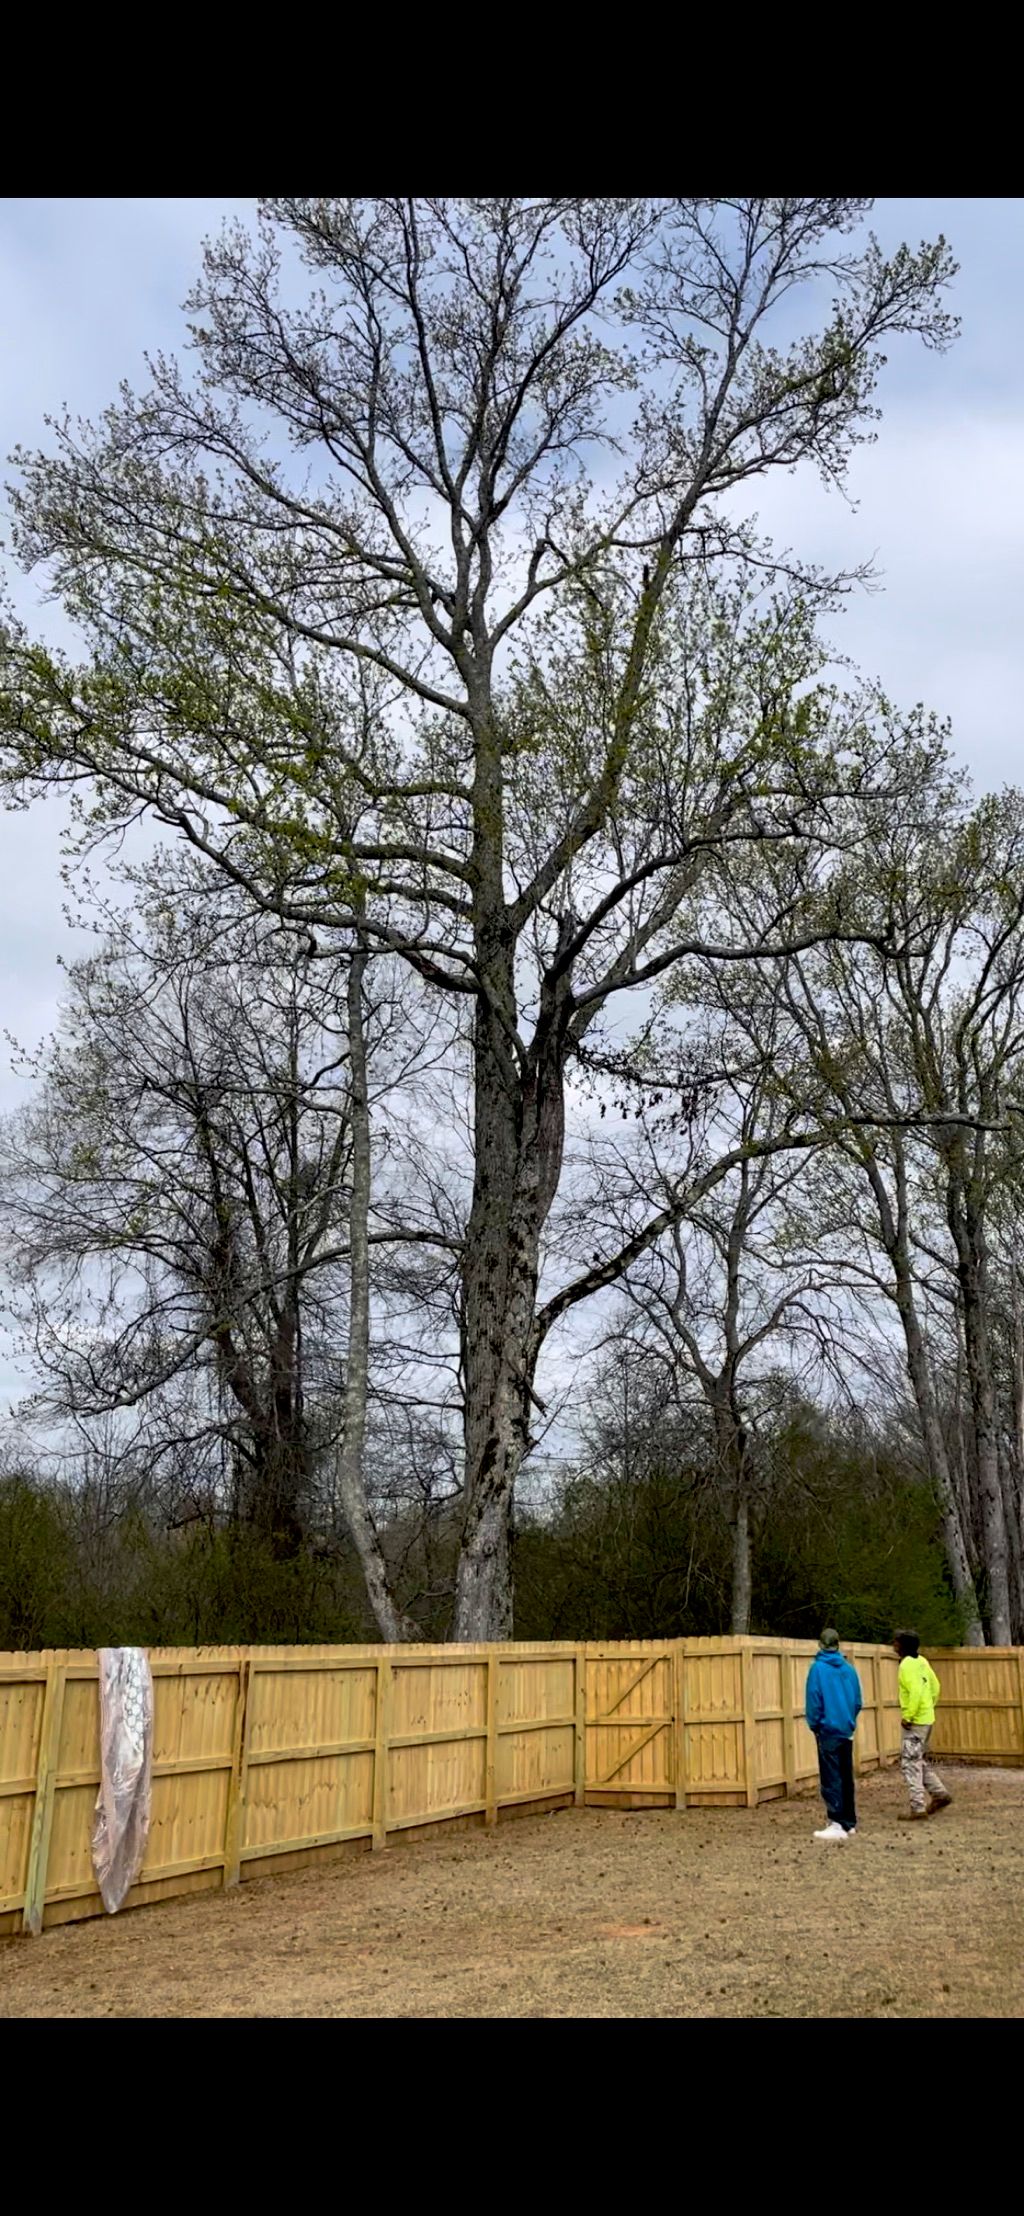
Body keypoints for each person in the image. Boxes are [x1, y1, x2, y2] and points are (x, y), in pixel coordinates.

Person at [805, 1627, 863, 1842]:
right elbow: (857, 1701)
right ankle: (849, 1822)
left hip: (827, 1729)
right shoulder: (849, 1670)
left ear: (820, 1645)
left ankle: (836, 1821)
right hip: (846, 1729)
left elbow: (814, 1700)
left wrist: (815, 1724)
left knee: (831, 1777)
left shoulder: (817, 1669)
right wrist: (849, 1720)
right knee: (846, 1776)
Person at [893, 1630, 952, 1821]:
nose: (894, 1645)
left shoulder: (906, 1665)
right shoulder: (922, 1662)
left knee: (910, 1763)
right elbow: (935, 1687)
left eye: (897, 1642)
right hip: (927, 1718)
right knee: (916, 1759)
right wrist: (929, 1706)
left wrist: (909, 1715)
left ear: (903, 1646)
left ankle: (917, 1807)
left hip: (915, 1721)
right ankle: (939, 1793)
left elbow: (916, 1691)